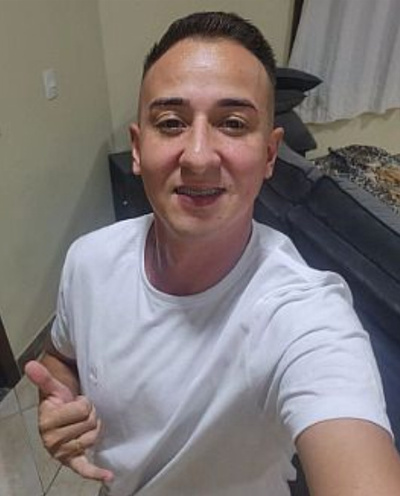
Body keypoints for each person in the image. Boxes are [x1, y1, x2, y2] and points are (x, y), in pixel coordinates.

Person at [25, 11, 400, 496]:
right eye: (171, 122)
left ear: (269, 155)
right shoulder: (89, 261)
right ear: (137, 149)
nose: (198, 157)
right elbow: (62, 356)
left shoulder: (304, 316)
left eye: (233, 123)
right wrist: (58, 401)